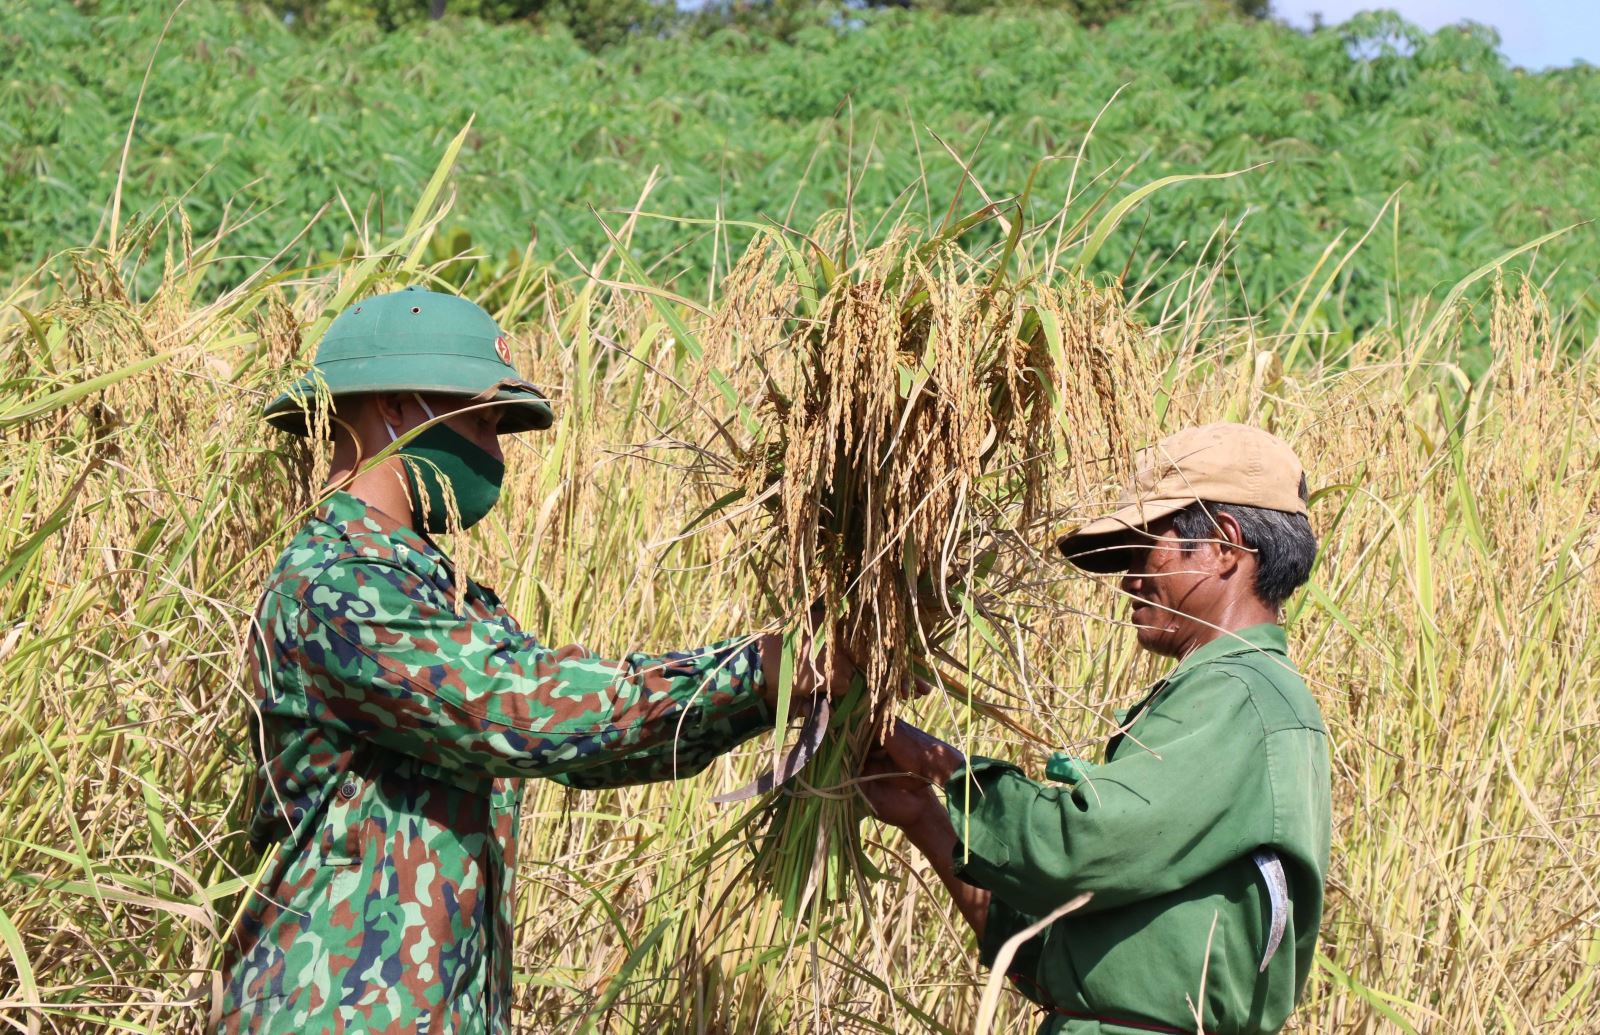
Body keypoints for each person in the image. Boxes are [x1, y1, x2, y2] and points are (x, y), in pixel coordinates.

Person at [218, 287, 837, 1033]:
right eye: (481, 420)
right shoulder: (338, 586)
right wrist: (759, 670)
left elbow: (584, 747)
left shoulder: (439, 593)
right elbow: (528, 710)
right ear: (393, 408)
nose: (496, 452)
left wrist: (780, 690)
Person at [860, 422, 1332, 1035]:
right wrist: (924, 815)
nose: (1129, 581)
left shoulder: (1240, 695)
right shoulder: (1231, 697)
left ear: (1223, 545)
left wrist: (939, 764)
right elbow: (1049, 955)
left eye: (1144, 551)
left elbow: (1079, 848)